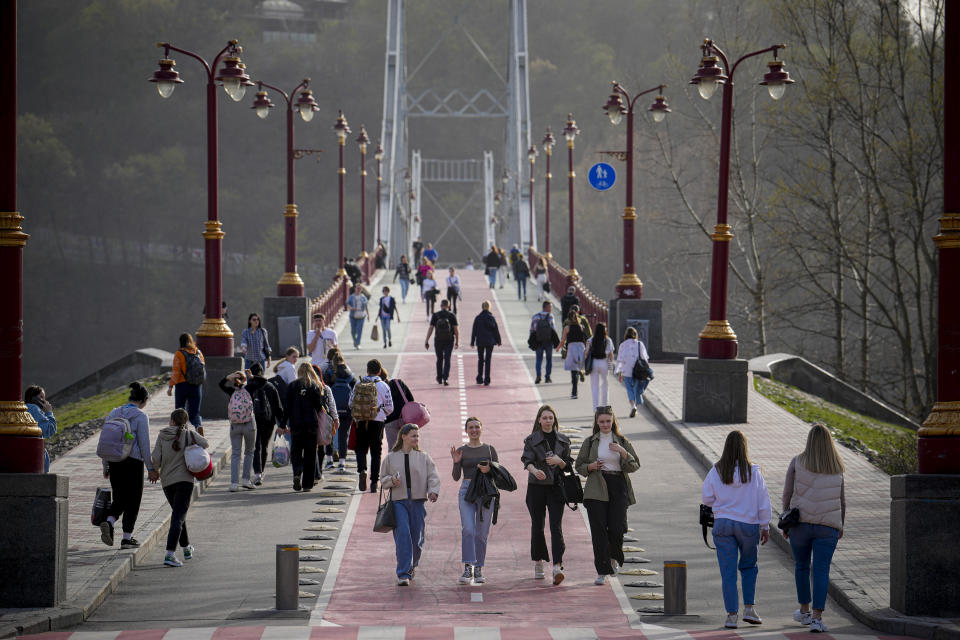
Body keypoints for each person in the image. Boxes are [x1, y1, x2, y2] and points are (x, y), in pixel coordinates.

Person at [701, 430, 772, 629]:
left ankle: (731, 615)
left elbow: (706, 498)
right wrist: (765, 525)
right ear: (744, 448)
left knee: (728, 571)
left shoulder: (716, 470)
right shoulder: (754, 472)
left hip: (723, 524)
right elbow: (763, 502)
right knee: (749, 566)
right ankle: (749, 609)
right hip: (748, 525)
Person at [782, 423, 846, 633]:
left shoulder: (797, 462)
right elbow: (842, 500)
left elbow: (787, 493)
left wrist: (785, 519)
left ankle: (804, 611)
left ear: (809, 440)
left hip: (800, 524)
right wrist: (840, 524)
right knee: (821, 570)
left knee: (801, 566)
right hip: (828, 527)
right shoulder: (837, 466)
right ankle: (817, 619)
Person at [574, 406, 641, 585]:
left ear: (613, 422)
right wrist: (591, 467)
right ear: (597, 422)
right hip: (596, 487)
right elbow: (579, 465)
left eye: (608, 421)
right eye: (602, 421)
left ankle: (614, 556)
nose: (605, 424)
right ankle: (602, 571)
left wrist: (622, 452)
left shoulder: (622, 441)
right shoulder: (590, 441)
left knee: (617, 528)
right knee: (599, 531)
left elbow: (634, 465)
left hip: (618, 485)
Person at [380, 423, 440, 586]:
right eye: (413, 435)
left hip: (418, 501)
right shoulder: (391, 458)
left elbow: (433, 476)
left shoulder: (424, 457)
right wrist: (391, 480)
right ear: (404, 437)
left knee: (417, 538)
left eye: (417, 436)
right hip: (398, 501)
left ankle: (413, 564)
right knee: (403, 535)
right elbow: (383, 480)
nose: (416, 438)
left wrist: (433, 490)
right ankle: (403, 573)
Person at [100, 382, 157, 549]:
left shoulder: (114, 412)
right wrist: (151, 468)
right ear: (144, 400)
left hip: (114, 460)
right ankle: (126, 538)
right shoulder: (140, 416)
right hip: (133, 462)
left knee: (119, 496)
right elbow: (145, 445)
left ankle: (110, 521)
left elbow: (106, 440)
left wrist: (105, 465)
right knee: (133, 498)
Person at [521, 404, 573, 585]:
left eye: (550, 418)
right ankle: (538, 562)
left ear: (554, 420)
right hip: (536, 486)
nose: (548, 421)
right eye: (544, 418)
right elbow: (526, 460)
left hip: (557, 488)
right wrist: (535, 471)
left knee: (556, 526)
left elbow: (568, 465)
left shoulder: (564, 440)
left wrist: (560, 462)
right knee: (538, 525)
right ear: (539, 420)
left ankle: (558, 565)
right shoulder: (531, 440)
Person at [151, 408, 208, 567]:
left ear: (171, 421)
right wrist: (197, 437)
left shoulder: (162, 435)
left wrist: (154, 470)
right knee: (178, 516)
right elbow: (206, 444)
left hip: (167, 482)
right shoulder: (189, 435)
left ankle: (186, 547)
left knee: (178, 514)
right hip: (184, 481)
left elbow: (155, 458)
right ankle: (169, 554)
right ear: (185, 422)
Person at [451, 417, 499, 585]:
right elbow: (456, 477)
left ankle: (478, 567)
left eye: (477, 427)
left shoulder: (490, 449)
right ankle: (467, 566)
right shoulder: (462, 450)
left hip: (485, 493)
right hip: (467, 491)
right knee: (468, 530)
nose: (474, 430)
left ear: (481, 428)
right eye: (470, 427)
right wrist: (456, 463)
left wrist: (490, 469)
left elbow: (498, 476)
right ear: (466, 430)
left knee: (481, 533)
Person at [349, 359, 394, 493]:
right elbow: (390, 407)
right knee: (376, 451)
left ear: (367, 370)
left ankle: (362, 469)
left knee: (361, 447)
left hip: (361, 420)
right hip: (378, 421)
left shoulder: (359, 383)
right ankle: (374, 481)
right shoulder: (384, 386)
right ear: (379, 371)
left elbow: (351, 403)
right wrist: (381, 412)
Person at [283, 362, 329, 492]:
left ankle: (297, 473)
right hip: (311, 425)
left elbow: (286, 407)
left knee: (296, 451)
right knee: (310, 454)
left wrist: (282, 424)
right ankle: (307, 484)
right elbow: (318, 406)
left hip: (296, 425)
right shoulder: (313, 386)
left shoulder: (292, 386)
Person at [246, 362, 284, 486]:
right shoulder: (271, 387)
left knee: (256, 446)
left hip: (254, 420)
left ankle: (257, 473)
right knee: (264, 445)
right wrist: (282, 424)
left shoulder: (249, 387)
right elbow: (278, 407)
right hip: (269, 420)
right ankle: (261, 473)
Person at [219, 371, 257, 492]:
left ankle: (234, 483)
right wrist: (252, 377)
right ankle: (246, 480)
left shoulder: (231, 391)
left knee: (236, 454)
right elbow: (263, 382)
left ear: (233, 381)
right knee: (249, 452)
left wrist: (227, 377)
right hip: (249, 425)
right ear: (245, 380)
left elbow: (220, 384)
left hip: (235, 425)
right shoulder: (249, 389)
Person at [167, 333, 205, 434]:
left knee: (180, 411)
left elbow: (176, 372)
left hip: (182, 385)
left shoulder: (179, 353)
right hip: (196, 386)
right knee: (195, 413)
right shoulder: (198, 352)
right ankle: (198, 426)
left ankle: (184, 432)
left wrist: (170, 386)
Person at [327, 353, 357, 471]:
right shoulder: (350, 376)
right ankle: (342, 463)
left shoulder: (329, 375)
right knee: (343, 437)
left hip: (332, 410)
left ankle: (329, 461)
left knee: (329, 435)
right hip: (347, 410)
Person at [615, 327, 650, 417]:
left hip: (627, 371)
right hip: (638, 370)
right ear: (635, 335)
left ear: (626, 335)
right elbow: (645, 357)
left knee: (629, 390)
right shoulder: (639, 344)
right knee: (637, 388)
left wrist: (619, 372)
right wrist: (646, 369)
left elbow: (620, 359)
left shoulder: (622, 345)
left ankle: (633, 406)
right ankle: (636, 405)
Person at [426, 299, 459, 385]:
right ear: (449, 306)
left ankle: (439, 378)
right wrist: (457, 342)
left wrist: (427, 340)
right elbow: (456, 329)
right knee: (447, 359)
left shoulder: (436, 315)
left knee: (439, 359)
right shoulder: (452, 315)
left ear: (441, 306)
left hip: (438, 340)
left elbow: (431, 328)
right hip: (449, 340)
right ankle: (445, 378)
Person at [24, 385, 57, 472]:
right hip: (36, 456)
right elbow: (49, 430)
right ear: (33, 398)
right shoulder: (35, 409)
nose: (44, 401)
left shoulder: (23, 409)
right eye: (41, 397)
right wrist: (49, 413)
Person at [558, 308, 588, 400]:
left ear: (569, 319)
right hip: (581, 348)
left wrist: (558, 347)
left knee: (573, 371)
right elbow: (586, 339)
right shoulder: (581, 327)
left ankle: (574, 392)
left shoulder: (567, 328)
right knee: (577, 369)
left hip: (572, 349)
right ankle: (579, 373)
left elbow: (563, 340)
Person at [383, 367, 415, 450]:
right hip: (405, 418)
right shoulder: (399, 383)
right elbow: (411, 399)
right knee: (408, 446)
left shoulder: (381, 387)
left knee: (393, 447)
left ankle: (395, 462)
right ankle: (407, 462)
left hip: (390, 421)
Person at [470, 300, 501, 386]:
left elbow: (474, 331)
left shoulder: (478, 318)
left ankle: (479, 378)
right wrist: (499, 341)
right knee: (488, 360)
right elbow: (496, 330)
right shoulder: (491, 318)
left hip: (480, 341)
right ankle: (487, 379)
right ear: (489, 307)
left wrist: (472, 341)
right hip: (489, 341)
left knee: (480, 360)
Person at [586, 323, 615, 411]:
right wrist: (612, 363)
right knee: (605, 385)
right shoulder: (608, 340)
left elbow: (586, 353)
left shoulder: (590, 340)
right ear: (604, 330)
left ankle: (596, 409)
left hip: (594, 362)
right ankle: (605, 406)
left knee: (594, 386)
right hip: (604, 362)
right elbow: (611, 354)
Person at [529, 301, 557, 384]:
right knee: (549, 359)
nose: (551, 309)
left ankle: (538, 376)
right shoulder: (551, 317)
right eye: (550, 307)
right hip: (548, 341)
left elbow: (532, 329)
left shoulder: (535, 316)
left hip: (538, 341)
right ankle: (547, 377)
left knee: (538, 359)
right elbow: (553, 329)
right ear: (546, 307)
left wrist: (532, 340)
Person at [347, 285, 369, 350]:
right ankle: (355, 341)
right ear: (355, 289)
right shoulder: (352, 297)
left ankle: (357, 343)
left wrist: (368, 315)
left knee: (359, 330)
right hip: (353, 315)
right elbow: (348, 304)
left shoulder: (363, 297)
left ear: (361, 289)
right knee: (353, 331)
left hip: (361, 315)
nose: (358, 289)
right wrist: (351, 308)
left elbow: (366, 306)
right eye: (357, 288)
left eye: (360, 288)